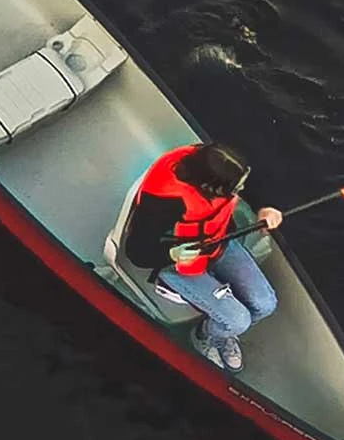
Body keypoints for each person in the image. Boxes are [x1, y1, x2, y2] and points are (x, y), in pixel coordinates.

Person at [121, 142, 284, 372]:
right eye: (237, 188)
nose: (242, 189)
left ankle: (219, 330)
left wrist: (264, 207)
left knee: (266, 304)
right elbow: (136, 252)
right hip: (176, 262)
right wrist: (172, 254)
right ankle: (204, 337)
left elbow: (249, 186)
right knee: (239, 320)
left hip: (217, 242)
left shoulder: (218, 168)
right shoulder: (164, 202)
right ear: (213, 188)